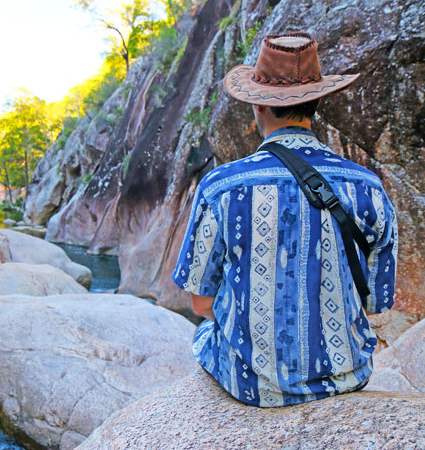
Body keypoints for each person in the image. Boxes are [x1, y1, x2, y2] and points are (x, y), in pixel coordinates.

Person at [171, 32, 398, 407]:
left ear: (257, 106)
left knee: (202, 336)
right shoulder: (368, 186)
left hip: (251, 384)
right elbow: (377, 302)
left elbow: (200, 304)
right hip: (347, 376)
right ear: (317, 102)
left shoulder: (221, 187)